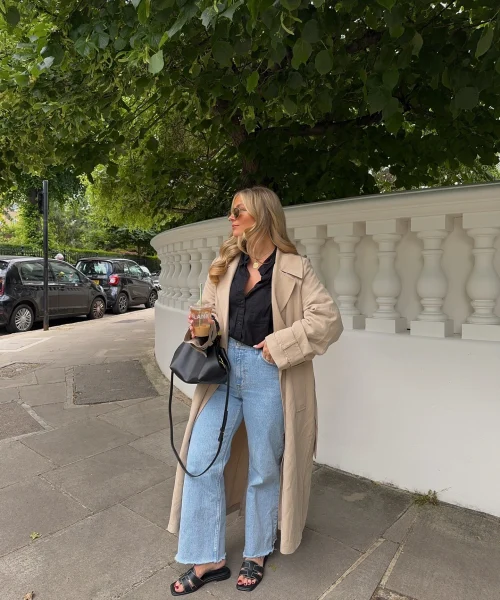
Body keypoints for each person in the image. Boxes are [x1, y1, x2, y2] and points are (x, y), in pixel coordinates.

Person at [169, 186, 343, 596]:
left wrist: (280, 344)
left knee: (265, 466)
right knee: (201, 458)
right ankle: (207, 558)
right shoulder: (225, 264)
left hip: (269, 373)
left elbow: (327, 320)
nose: (231, 218)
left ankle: (257, 550)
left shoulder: (296, 267)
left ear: (262, 217)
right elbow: (207, 311)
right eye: (231, 212)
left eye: (238, 211)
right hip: (224, 371)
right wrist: (202, 328)